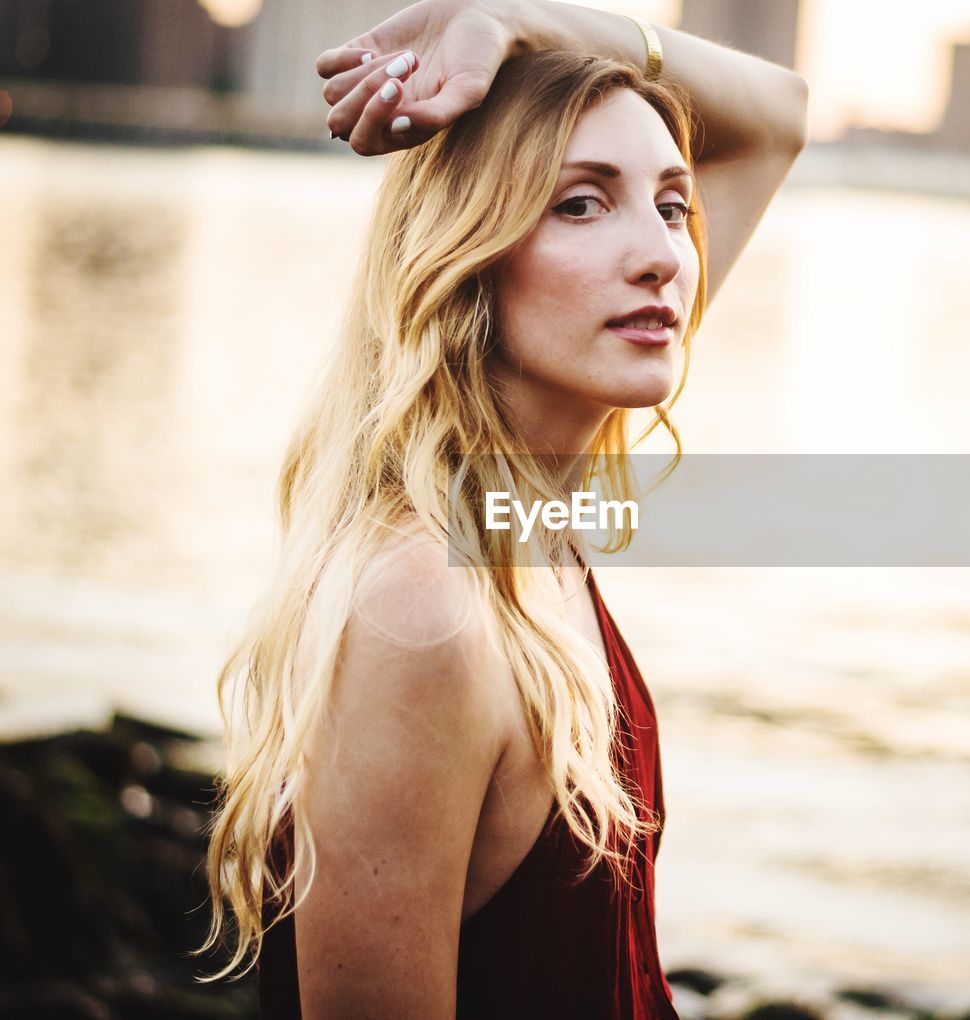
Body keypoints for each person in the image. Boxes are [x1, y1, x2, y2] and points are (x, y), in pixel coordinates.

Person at [200, 2, 807, 1016]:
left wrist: (516, 21)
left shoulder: (519, 517)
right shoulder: (423, 613)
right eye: (578, 204)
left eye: (669, 203)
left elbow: (777, 116)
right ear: (466, 259)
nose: (661, 252)